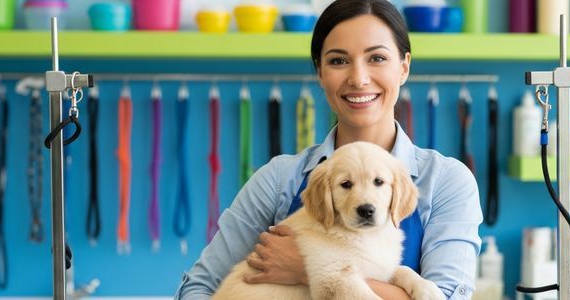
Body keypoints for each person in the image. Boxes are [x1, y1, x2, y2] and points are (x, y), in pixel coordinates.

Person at [175, 0, 482, 299]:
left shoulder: (446, 181)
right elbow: (196, 289)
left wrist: (307, 269)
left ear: (403, 67)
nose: (359, 79)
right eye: (338, 61)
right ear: (320, 72)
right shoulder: (280, 178)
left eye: (377, 58)